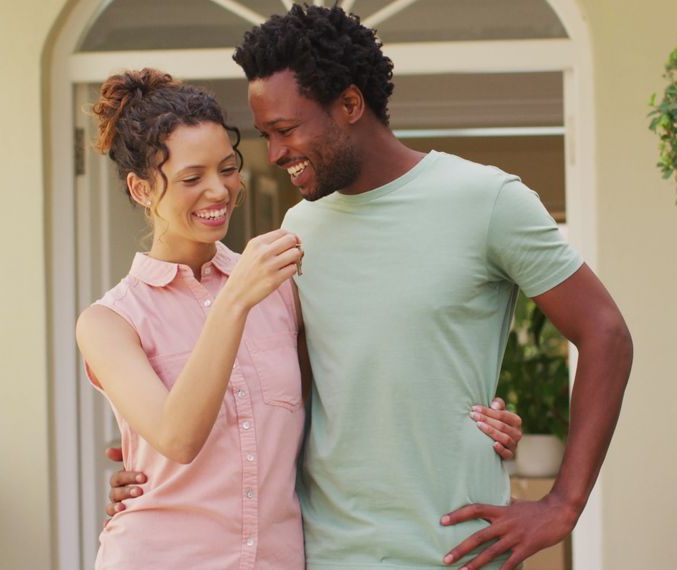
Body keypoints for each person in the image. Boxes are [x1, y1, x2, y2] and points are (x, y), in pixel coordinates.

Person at [111, 5, 633, 569]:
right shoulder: (297, 232)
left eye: (285, 130)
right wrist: (159, 482)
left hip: (455, 550)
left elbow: (605, 332)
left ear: (351, 105)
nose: (276, 154)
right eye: (264, 136)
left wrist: (563, 503)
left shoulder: (488, 201)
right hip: (325, 553)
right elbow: (300, 394)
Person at [83, 69, 522, 569]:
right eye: (192, 177)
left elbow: (343, 400)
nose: (219, 191)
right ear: (141, 190)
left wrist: (470, 425)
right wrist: (234, 302)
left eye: (227, 169)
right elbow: (178, 438)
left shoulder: (281, 286)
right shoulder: (109, 321)